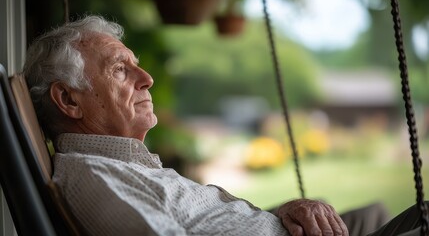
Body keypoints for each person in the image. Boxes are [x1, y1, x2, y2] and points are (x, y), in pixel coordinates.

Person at [22, 15, 427, 236]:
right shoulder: (95, 177)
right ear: (69, 99)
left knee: (373, 213)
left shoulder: (126, 167)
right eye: (119, 70)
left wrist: (284, 211)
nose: (146, 78)